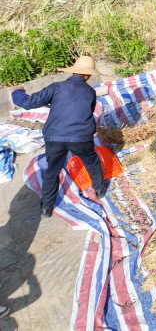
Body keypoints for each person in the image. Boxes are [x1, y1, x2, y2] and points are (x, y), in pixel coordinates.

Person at [11, 56, 106, 217]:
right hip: (81, 137)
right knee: (91, 161)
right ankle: (99, 190)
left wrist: (17, 93)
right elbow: (87, 112)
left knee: (52, 171)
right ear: (88, 75)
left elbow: (28, 102)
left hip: (55, 137)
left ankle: (46, 208)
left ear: (74, 71)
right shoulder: (90, 92)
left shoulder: (56, 87)